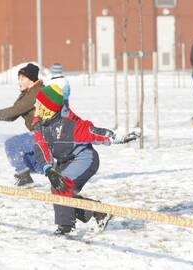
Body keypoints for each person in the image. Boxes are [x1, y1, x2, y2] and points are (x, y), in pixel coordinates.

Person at [32, 84, 139, 235]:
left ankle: (65, 228)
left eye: (38, 103)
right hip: (65, 160)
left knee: (62, 187)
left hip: (84, 159)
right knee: (58, 188)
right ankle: (100, 213)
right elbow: (40, 146)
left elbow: (95, 132)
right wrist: (48, 170)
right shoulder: (40, 124)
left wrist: (120, 138)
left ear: (47, 108)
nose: (34, 105)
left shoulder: (71, 125)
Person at [0, 63, 44, 186]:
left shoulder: (36, 92)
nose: (19, 82)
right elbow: (14, 115)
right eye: (18, 79)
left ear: (31, 80)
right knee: (28, 159)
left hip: (43, 134)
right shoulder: (30, 92)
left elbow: (15, 111)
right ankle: (57, 171)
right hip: (43, 133)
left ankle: (24, 177)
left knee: (12, 145)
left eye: (22, 79)